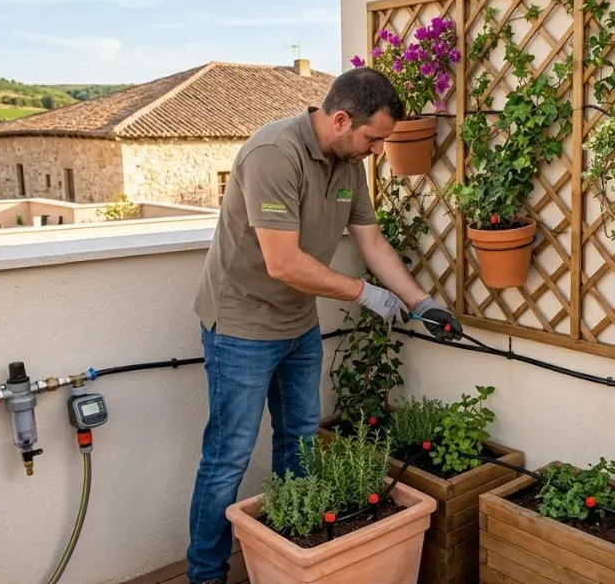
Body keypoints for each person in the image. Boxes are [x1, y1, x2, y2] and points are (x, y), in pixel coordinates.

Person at [186, 66, 462, 584]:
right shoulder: (275, 154)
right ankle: (206, 575)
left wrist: (421, 303)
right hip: (241, 326)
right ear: (340, 119)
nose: (377, 150)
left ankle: (295, 558)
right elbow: (284, 263)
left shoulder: (348, 161)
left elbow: (370, 241)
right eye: (373, 138)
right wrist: (366, 294)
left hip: (297, 323)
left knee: (300, 443)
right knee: (229, 457)